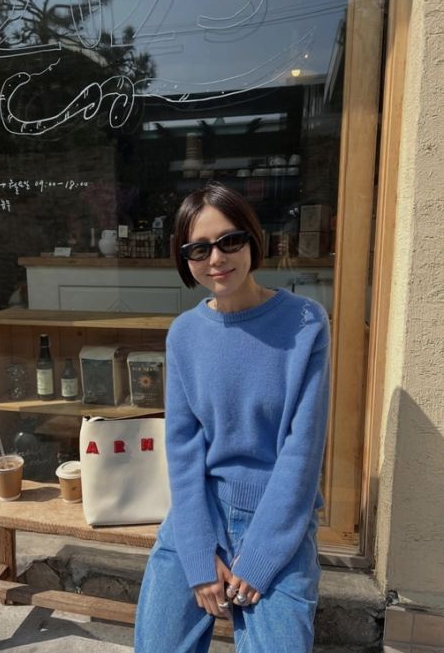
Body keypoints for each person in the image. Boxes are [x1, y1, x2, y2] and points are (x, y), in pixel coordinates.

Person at [134, 182, 330, 653]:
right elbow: (183, 450)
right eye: (199, 249)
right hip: (200, 512)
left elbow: (302, 452)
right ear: (185, 258)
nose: (216, 258)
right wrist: (199, 556)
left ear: (252, 239)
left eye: (230, 241)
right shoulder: (184, 334)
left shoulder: (306, 323)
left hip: (278, 518)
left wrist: (260, 558)